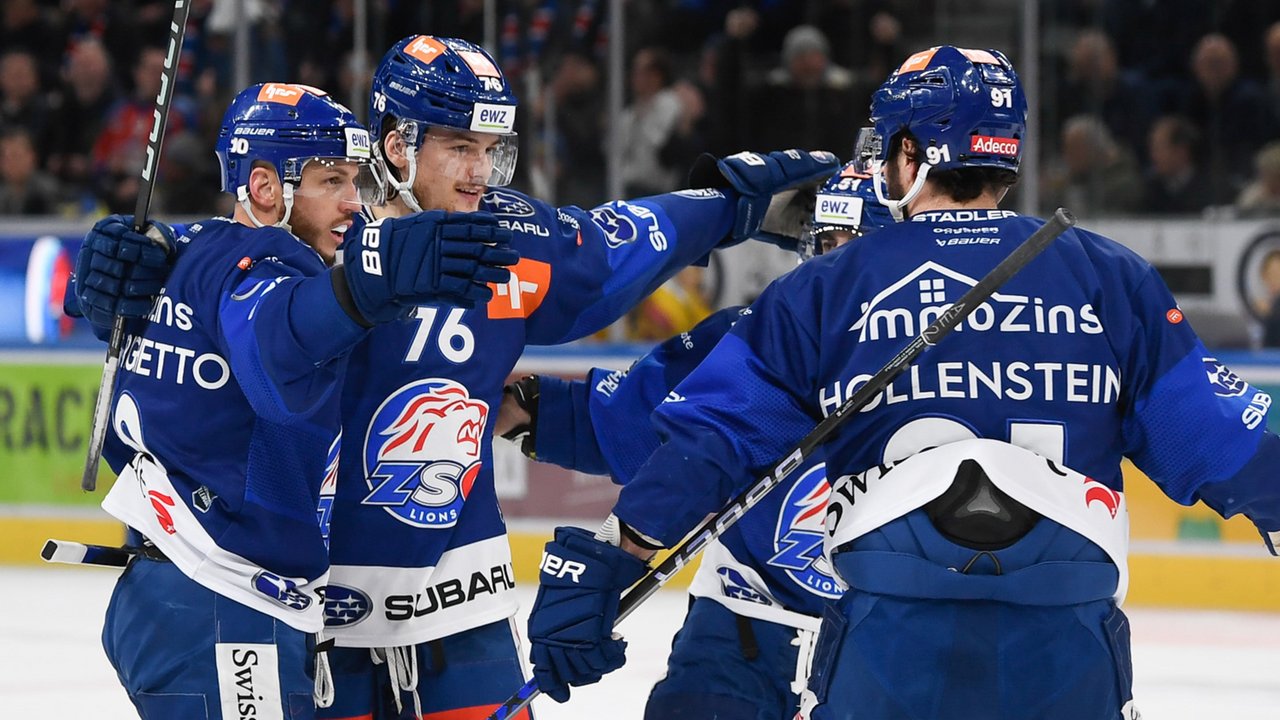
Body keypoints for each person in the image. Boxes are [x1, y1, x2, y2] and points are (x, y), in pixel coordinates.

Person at [74, 35, 839, 720]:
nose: (480, 172)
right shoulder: (313, 238)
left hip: (459, 611)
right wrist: (150, 258)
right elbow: (226, 264)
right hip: (315, 621)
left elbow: (614, 248)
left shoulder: (507, 239)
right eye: (460, 147)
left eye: (493, 150)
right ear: (396, 144)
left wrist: (730, 206)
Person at [523, 45, 1280, 720]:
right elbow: (1221, 445)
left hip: (892, 641)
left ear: (911, 154)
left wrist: (614, 556)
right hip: (1067, 646)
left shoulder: (831, 285)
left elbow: (716, 440)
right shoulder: (1109, 277)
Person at [73, 82, 517, 720]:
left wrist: (96, 268)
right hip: (222, 601)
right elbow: (272, 352)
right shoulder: (266, 265)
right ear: (264, 186)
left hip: (179, 593)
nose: (353, 203)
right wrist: (366, 289)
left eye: (355, 181)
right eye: (331, 181)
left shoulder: (185, 253)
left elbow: (111, 286)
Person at [496, 165, 890, 720]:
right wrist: (484, 399)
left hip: (890, 643)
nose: (833, 265)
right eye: (826, 243)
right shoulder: (757, 333)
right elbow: (632, 422)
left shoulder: (967, 356)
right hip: (742, 631)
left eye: (855, 246)